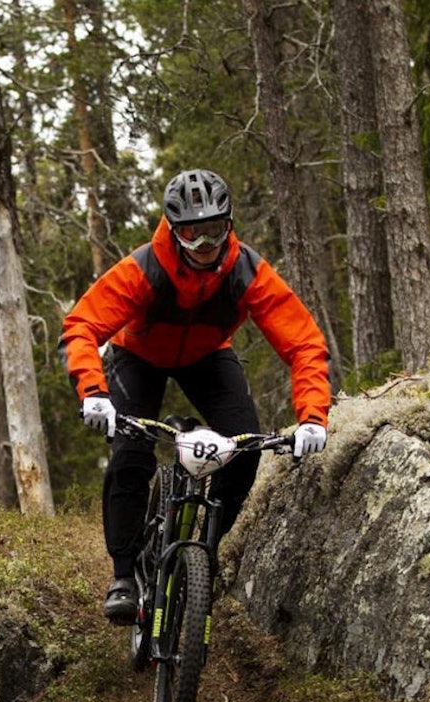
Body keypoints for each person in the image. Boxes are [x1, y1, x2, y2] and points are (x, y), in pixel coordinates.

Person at [58, 169, 332, 623]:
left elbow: (304, 342)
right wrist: (93, 392)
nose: (205, 245)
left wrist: (312, 418)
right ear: (172, 229)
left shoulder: (247, 271)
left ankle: (208, 549)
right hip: (138, 356)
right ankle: (124, 575)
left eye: (214, 231)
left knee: (246, 447)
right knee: (131, 454)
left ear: (230, 224)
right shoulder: (146, 266)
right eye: (191, 233)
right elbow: (82, 325)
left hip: (207, 356)